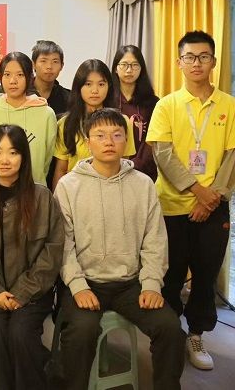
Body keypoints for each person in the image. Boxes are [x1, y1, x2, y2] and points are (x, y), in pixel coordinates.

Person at [54, 108, 185, 390]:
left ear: (127, 141)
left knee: (171, 328)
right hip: (86, 282)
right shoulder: (68, 186)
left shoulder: (143, 185)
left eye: (116, 135)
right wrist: (78, 286)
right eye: (100, 135)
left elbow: (154, 240)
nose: (109, 142)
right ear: (87, 141)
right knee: (81, 332)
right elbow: (62, 244)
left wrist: (152, 284)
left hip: (131, 284)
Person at [146, 30, 235, 370]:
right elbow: (163, 154)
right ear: (179, 62)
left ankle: (196, 334)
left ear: (213, 62)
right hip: (171, 207)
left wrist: (212, 199)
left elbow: (232, 156)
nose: (197, 63)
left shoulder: (229, 105)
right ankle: (170, 334)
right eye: (190, 57)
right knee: (169, 277)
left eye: (204, 57)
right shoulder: (166, 105)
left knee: (205, 275)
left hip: (214, 207)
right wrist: (198, 191)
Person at [0, 124, 63, 390]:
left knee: (21, 334)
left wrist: (23, 292)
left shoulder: (43, 198)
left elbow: (53, 250)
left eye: (13, 152)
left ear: (24, 157)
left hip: (34, 293)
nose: (4, 159)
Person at [52, 59, 136, 188]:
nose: (95, 90)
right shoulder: (65, 124)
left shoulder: (122, 122)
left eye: (101, 84)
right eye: (88, 84)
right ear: (79, 87)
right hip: (75, 190)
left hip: (112, 189)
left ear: (109, 86)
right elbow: (61, 170)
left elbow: (124, 167)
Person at [0, 52, 57, 184]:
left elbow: (46, 159)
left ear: (30, 77)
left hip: (34, 189)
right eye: (7, 75)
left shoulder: (46, 114)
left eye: (20, 75)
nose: (13, 81)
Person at [111, 45, 159, 180]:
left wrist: (136, 165)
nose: (129, 70)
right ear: (115, 68)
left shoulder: (153, 103)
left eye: (134, 65)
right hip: (112, 170)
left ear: (141, 69)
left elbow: (153, 139)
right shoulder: (108, 100)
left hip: (145, 172)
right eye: (124, 65)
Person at [31, 40, 71, 117]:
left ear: (62, 66)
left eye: (55, 62)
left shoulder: (69, 98)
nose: (49, 66)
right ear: (34, 64)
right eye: (43, 61)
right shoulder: (22, 93)